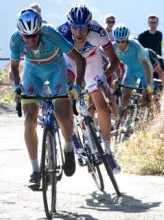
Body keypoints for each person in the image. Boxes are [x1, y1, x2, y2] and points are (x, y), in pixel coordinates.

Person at [10, 9, 86, 187]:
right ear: (21, 34)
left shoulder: (51, 33)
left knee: (61, 114)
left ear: (40, 30)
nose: (31, 40)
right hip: (32, 71)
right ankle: (35, 171)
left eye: (35, 35)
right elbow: (14, 67)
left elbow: (79, 60)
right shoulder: (15, 39)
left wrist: (76, 86)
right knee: (29, 119)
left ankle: (68, 147)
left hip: (55, 69)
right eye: (26, 37)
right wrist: (16, 86)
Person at [58, 4, 121, 173]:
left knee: (103, 108)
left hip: (92, 61)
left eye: (83, 28)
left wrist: (105, 75)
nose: (79, 32)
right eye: (75, 28)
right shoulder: (61, 32)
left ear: (89, 25)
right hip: (70, 61)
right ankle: (71, 136)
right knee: (66, 96)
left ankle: (108, 152)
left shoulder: (99, 32)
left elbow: (114, 60)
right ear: (69, 26)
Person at [113, 25, 153, 110]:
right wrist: (118, 78)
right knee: (124, 96)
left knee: (146, 97)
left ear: (127, 39)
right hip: (131, 71)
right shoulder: (114, 47)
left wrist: (148, 83)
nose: (120, 44)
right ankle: (125, 121)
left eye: (123, 41)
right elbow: (115, 65)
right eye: (118, 41)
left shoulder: (136, 46)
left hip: (144, 70)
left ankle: (150, 118)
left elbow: (146, 66)